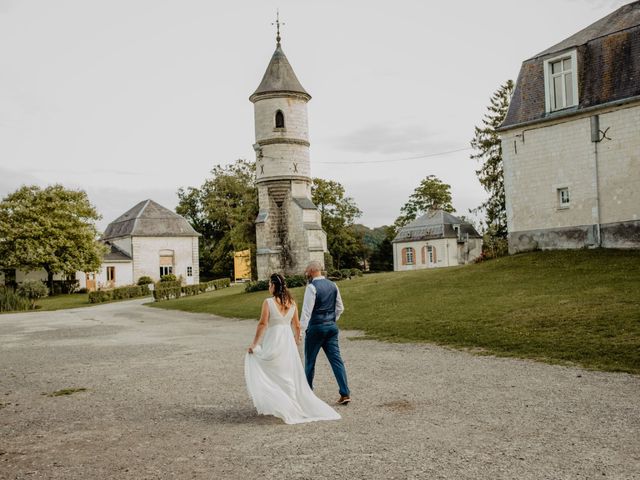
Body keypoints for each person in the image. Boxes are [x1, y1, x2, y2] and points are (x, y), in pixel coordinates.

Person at [244, 273, 341, 424]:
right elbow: (296, 325)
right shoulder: (292, 303)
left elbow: (262, 324)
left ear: (274, 286)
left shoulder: (268, 302)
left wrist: (254, 344)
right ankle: (288, 402)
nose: (269, 287)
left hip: (274, 338)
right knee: (286, 371)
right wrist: (296, 339)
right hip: (287, 340)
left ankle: (283, 404)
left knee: (271, 369)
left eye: (270, 284)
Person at [300, 261, 351, 405]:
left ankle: (307, 393)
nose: (306, 273)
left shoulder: (311, 287)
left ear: (311, 271)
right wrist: (332, 319)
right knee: (336, 360)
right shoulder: (333, 285)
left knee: (310, 361)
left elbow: (306, 312)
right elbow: (340, 307)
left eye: (306, 271)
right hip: (331, 327)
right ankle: (345, 392)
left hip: (316, 328)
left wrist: (300, 332)